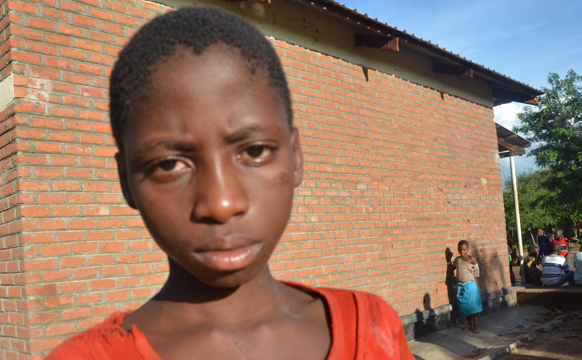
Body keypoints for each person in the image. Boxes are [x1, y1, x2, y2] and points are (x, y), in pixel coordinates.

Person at [45, 8, 413, 360]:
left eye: (254, 151)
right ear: (127, 182)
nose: (221, 203)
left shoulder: (374, 328)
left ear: (296, 156)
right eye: (169, 164)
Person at [447, 240, 483, 334]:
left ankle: (476, 326)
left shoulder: (471, 259)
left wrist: (470, 279)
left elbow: (476, 271)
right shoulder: (457, 260)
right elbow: (451, 270)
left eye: (464, 250)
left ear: (468, 249)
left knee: (473, 306)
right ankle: (469, 324)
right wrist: (449, 260)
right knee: (465, 306)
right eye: (460, 250)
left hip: (470, 287)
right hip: (461, 287)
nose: (462, 252)